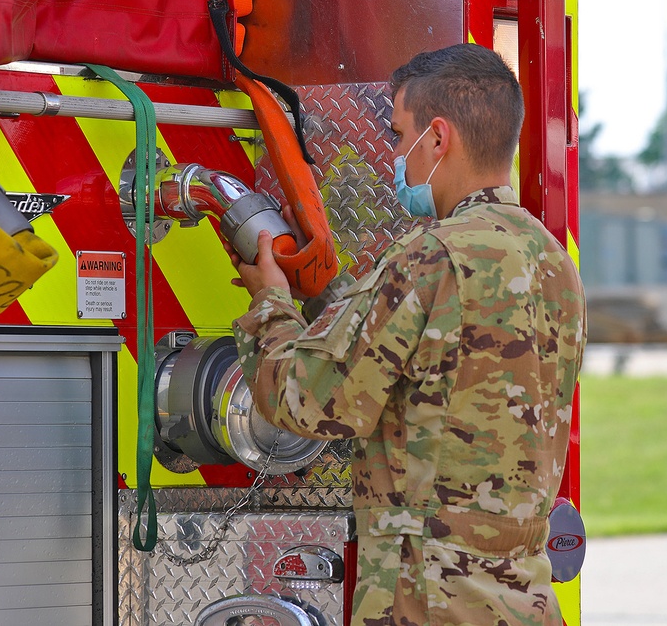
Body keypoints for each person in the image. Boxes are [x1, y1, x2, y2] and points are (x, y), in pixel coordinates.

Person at [226, 43, 586, 626]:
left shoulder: (430, 258)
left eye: (399, 135)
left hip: (431, 602)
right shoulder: (551, 260)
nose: (396, 155)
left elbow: (304, 400)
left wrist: (270, 302)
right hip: (525, 601)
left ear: (438, 139)